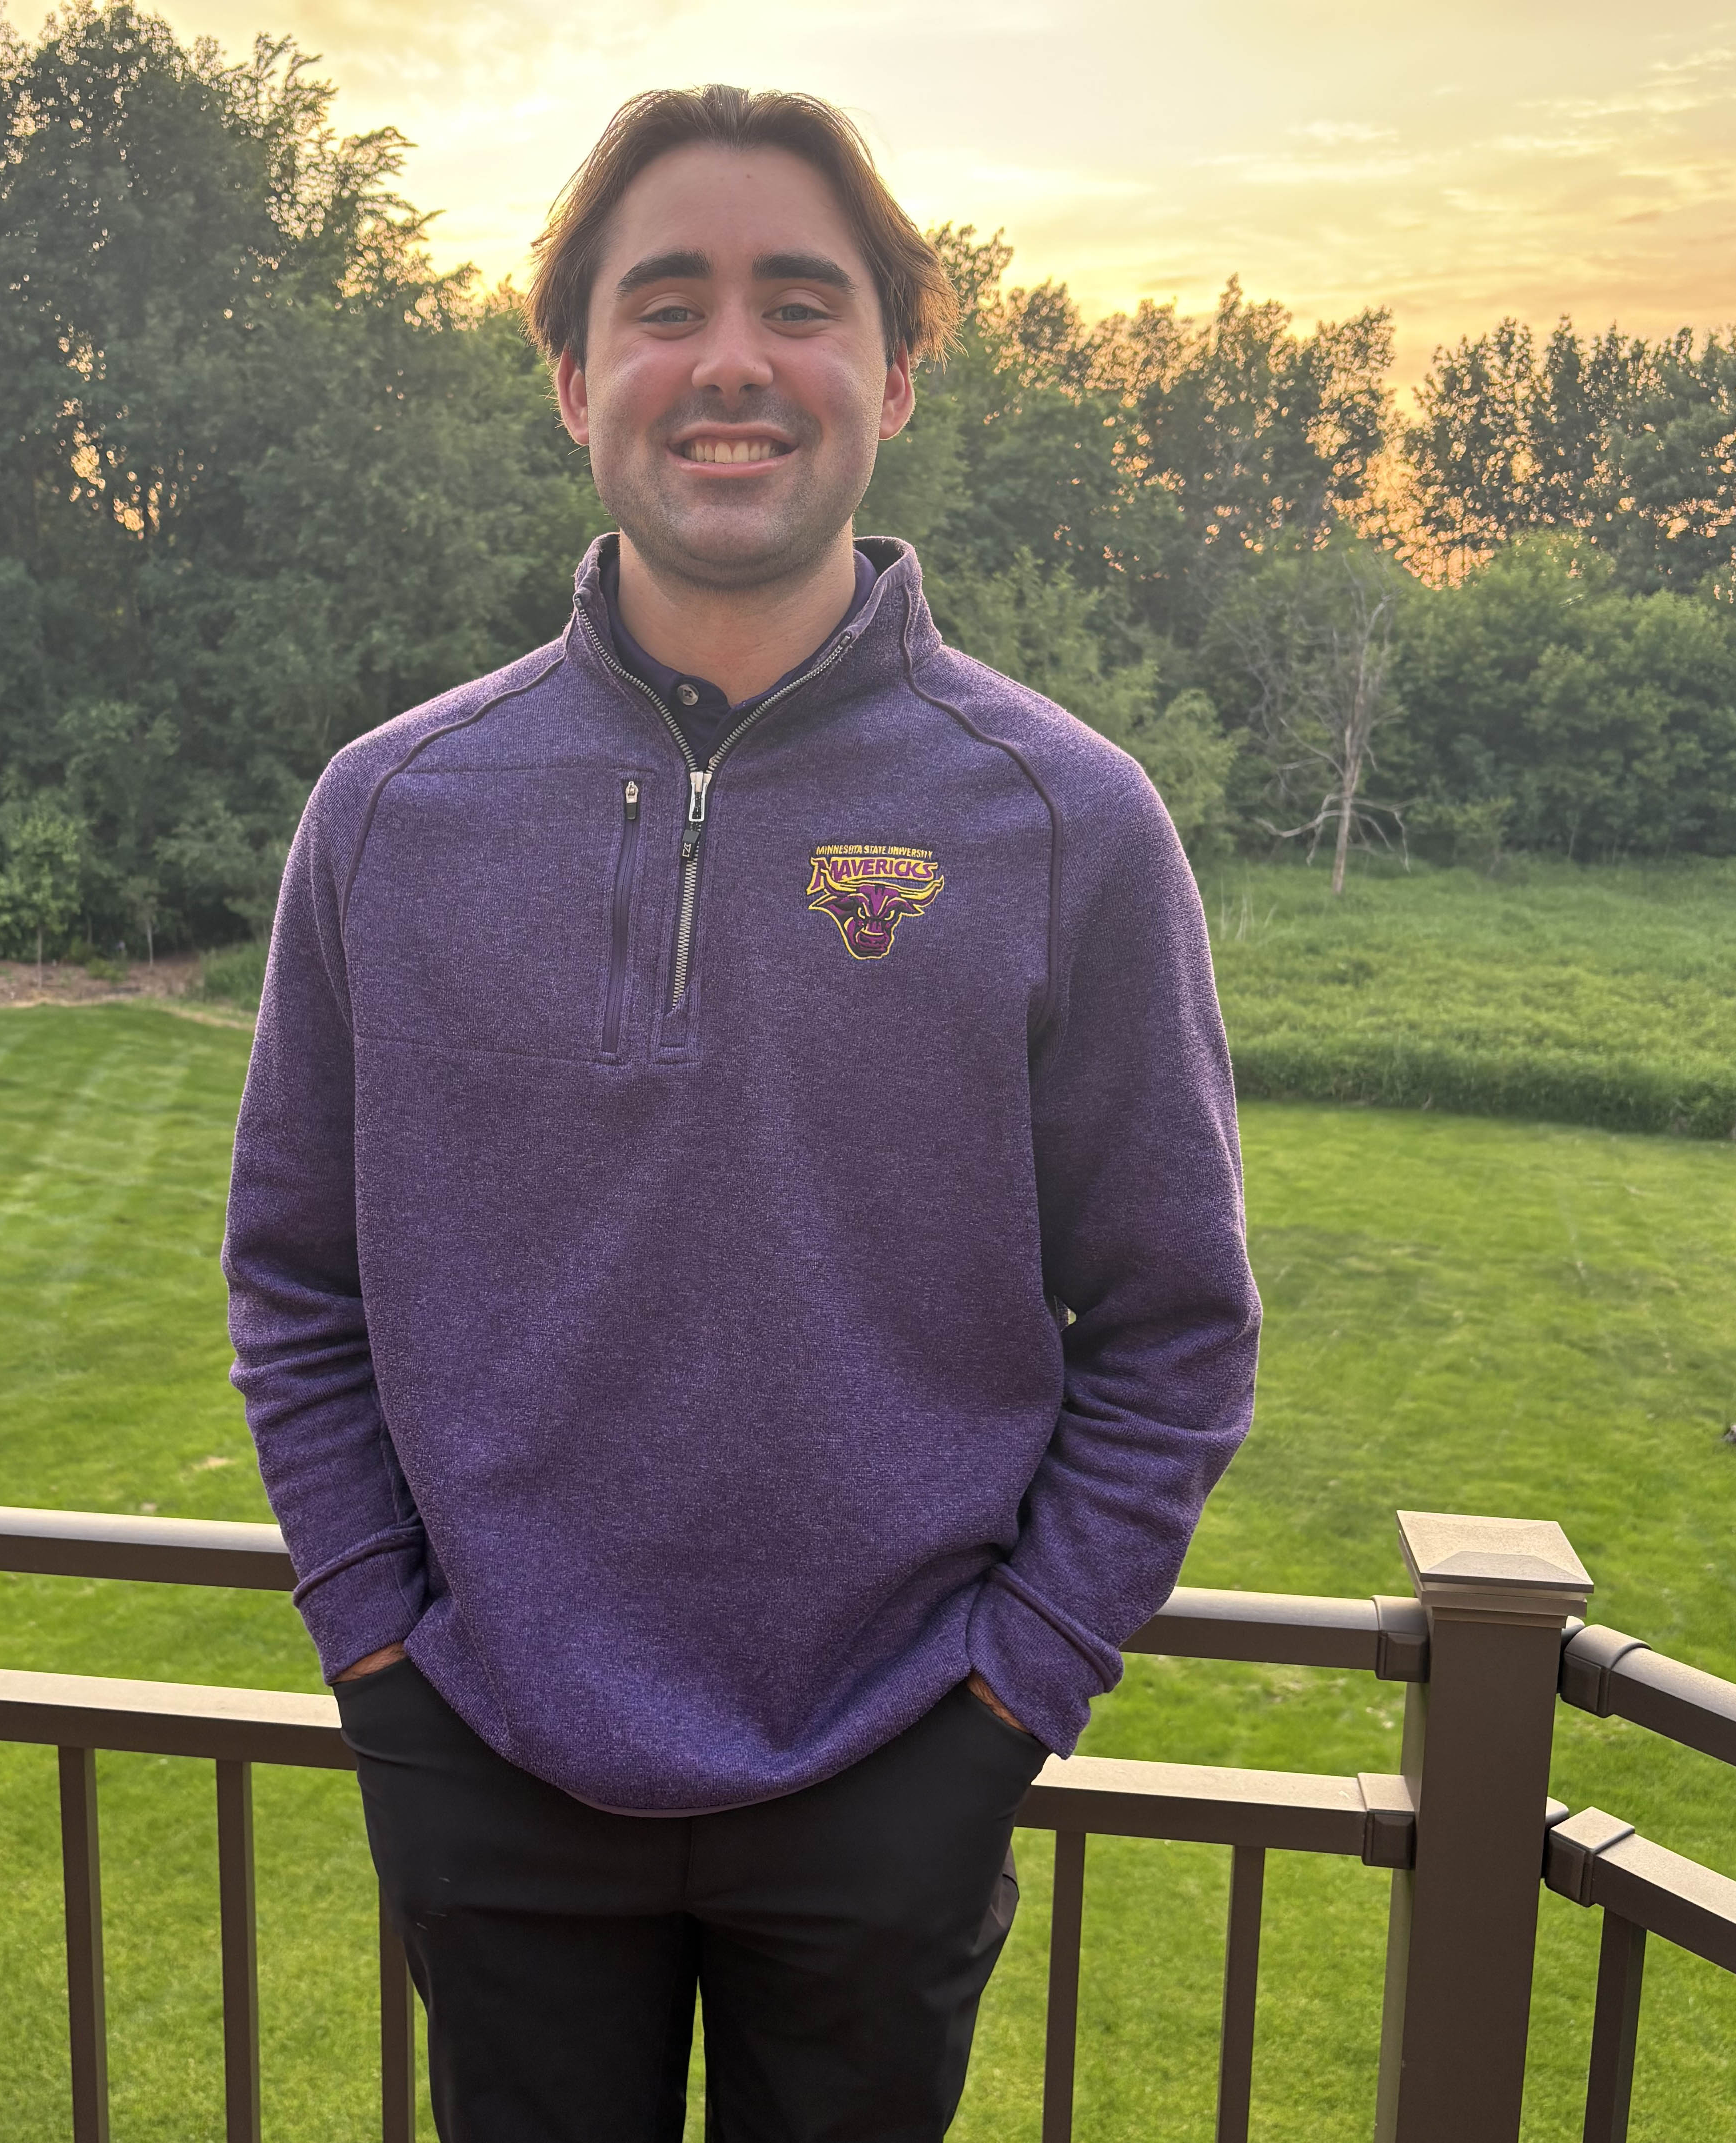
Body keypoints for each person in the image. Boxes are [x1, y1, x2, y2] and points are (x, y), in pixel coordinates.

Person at [223, 83, 1260, 2143]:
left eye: (799, 301)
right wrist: (386, 1672)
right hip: (490, 1774)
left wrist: (998, 1714)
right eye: (662, 299)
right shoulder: (392, 814)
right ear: (570, 372)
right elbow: (295, 1283)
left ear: (894, 365)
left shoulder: (1065, 819)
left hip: (894, 1783)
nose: (729, 360)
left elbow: (1173, 1330)